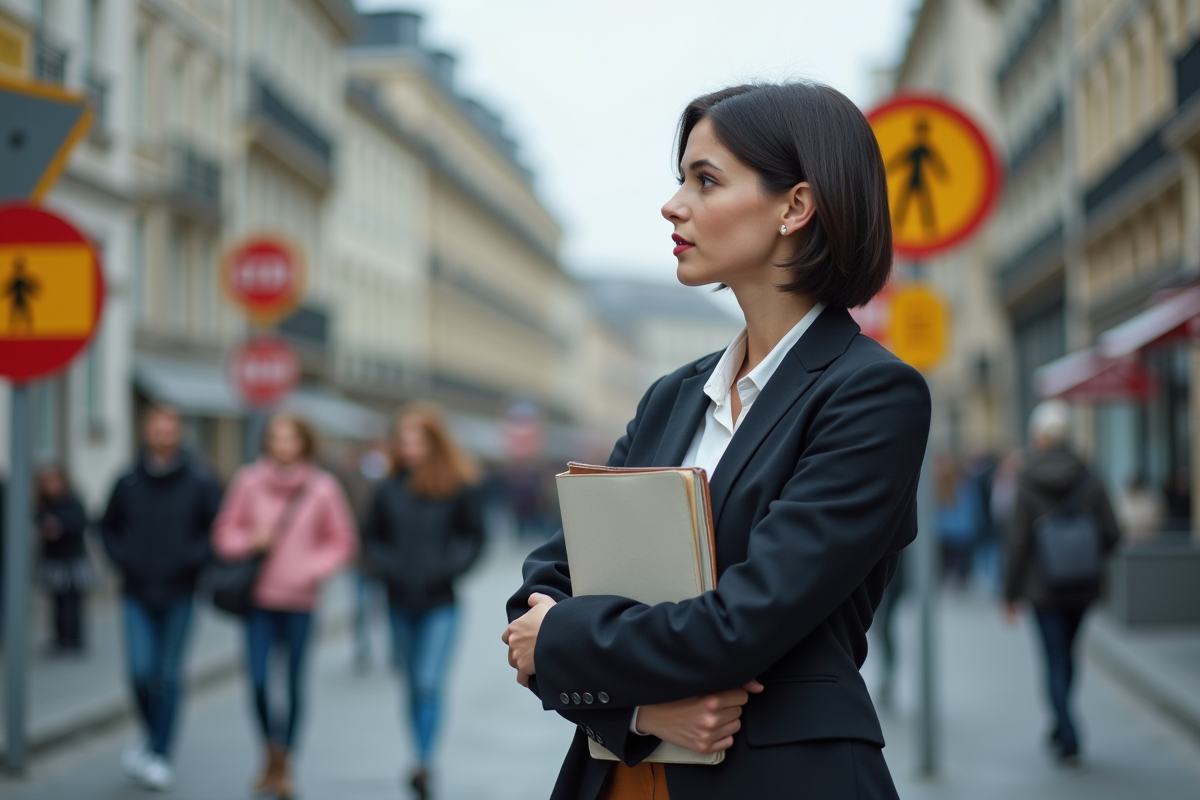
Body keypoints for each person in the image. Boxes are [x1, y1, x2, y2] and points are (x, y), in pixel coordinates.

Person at [503, 82, 930, 800]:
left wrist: (563, 641)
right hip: (623, 777)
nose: (674, 205)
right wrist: (637, 709)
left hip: (782, 778)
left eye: (705, 180)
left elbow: (743, 624)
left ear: (795, 206)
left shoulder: (871, 395)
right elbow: (547, 581)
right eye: (681, 180)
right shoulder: (674, 395)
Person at [214, 413, 357, 800]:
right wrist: (249, 540)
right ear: (267, 442)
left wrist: (312, 569)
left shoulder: (322, 487)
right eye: (276, 437)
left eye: (290, 438)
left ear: (303, 443)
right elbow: (224, 533)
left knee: (293, 684)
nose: (282, 445)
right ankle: (270, 753)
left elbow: (342, 540)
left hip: (301, 601)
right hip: (258, 600)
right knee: (258, 682)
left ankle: (286, 763)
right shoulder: (248, 481)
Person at [361, 404, 485, 799]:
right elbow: (370, 538)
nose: (409, 446)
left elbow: (475, 537)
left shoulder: (454, 486)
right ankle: (418, 753)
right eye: (404, 439)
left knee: (429, 682)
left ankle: (422, 761)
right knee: (413, 684)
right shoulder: (387, 488)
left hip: (440, 602)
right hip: (397, 600)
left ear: (434, 442)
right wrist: (387, 567)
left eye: (418, 439)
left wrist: (450, 568)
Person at [101, 404, 223, 791]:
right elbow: (106, 526)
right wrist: (123, 559)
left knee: (167, 674)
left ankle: (160, 752)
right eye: (156, 428)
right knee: (139, 671)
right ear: (145, 432)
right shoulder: (128, 480)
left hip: (180, 591)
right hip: (136, 590)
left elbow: (215, 530)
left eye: (169, 429)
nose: (162, 435)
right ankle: (150, 736)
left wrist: (192, 561)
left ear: (179, 433)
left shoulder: (199, 481)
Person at [1003, 401, 1120, 765]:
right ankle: (1062, 722)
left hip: (1043, 588)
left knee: (1053, 658)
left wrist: (1009, 593)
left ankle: (1066, 731)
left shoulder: (1026, 477)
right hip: (1083, 586)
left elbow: (1018, 540)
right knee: (1068, 655)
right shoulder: (1090, 474)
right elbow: (1113, 533)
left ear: (1039, 438)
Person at [35, 464, 91, 654]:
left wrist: (60, 527)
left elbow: (80, 523)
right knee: (57, 601)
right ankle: (60, 637)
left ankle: (74, 638)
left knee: (73, 601)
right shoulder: (44, 504)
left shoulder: (73, 501)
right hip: (54, 559)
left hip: (72, 558)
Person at [1115, 472, 1164, 543]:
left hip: (1149, 540)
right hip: (1127, 541)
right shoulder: (1121, 499)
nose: (1135, 484)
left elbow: (1159, 521)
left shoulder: (1152, 498)